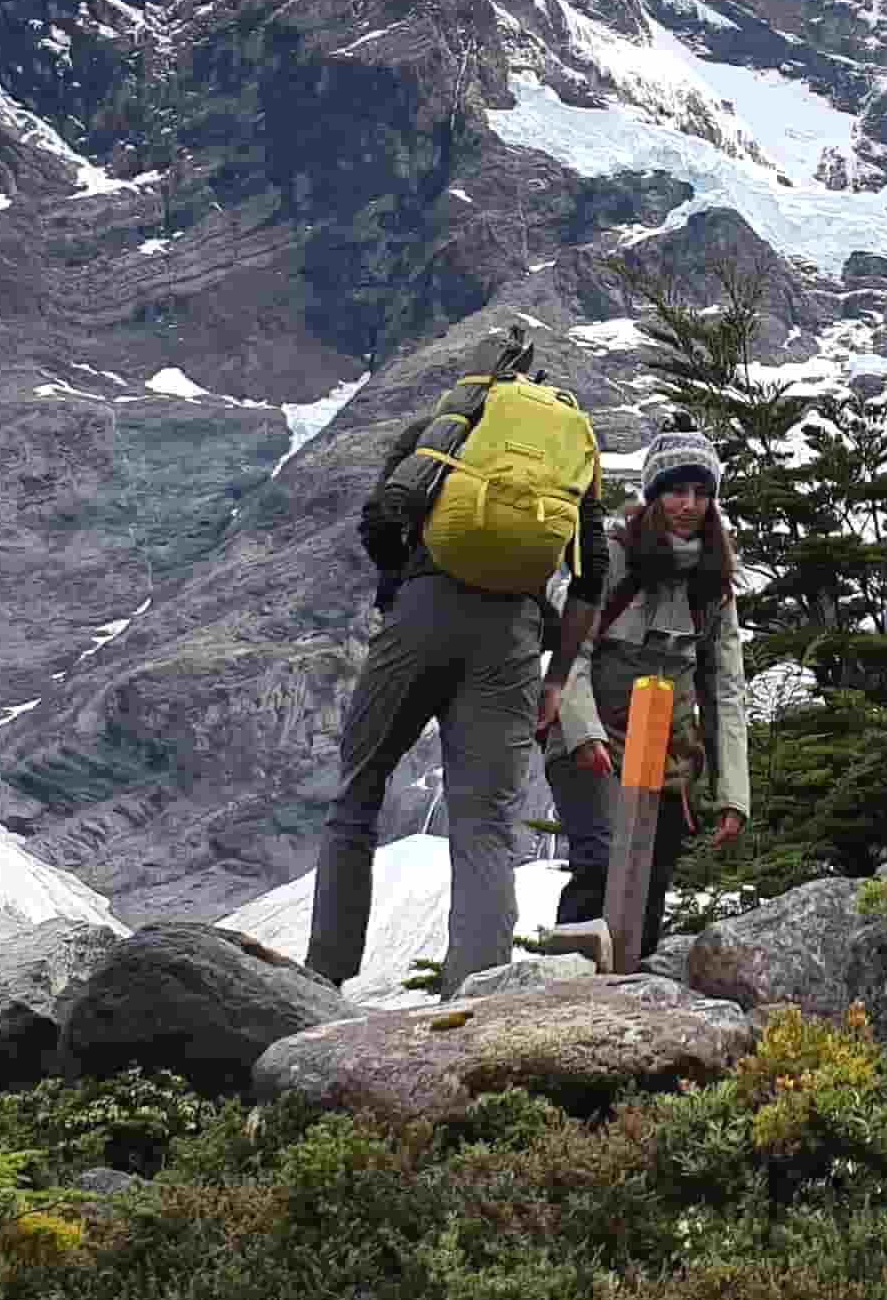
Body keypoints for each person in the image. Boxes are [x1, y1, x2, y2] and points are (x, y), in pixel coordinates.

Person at [308, 393, 603, 998]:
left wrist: (404, 578)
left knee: (359, 788)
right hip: (512, 637)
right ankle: (476, 993)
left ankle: (324, 974)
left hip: (422, 612)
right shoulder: (571, 450)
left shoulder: (447, 423)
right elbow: (590, 575)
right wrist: (557, 676)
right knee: (487, 824)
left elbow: (379, 520)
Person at [543, 431, 750, 950]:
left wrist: (732, 795)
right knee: (600, 864)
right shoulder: (611, 559)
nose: (689, 505)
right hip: (594, 745)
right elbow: (574, 653)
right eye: (676, 491)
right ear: (653, 495)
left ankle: (632, 995)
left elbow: (725, 689)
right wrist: (585, 734)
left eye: (700, 493)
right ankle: (564, 995)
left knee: (651, 882)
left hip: (667, 757)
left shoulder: (713, 584)